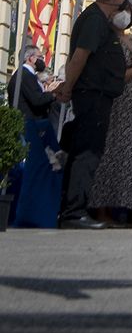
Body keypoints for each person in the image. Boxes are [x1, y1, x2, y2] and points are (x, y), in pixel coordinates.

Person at [54, 0, 132, 229]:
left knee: (89, 151)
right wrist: (67, 87)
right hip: (92, 95)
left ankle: (75, 208)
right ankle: (74, 211)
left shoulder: (101, 20)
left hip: (99, 96)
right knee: (87, 152)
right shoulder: (95, 19)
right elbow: (80, 56)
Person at [88, 15, 132, 225]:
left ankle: (119, 207)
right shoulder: (108, 41)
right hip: (118, 102)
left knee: (129, 154)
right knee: (111, 153)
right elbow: (118, 76)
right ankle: (102, 208)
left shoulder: (129, 41)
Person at [10, 44, 65, 228]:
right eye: (40, 56)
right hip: (30, 128)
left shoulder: (25, 76)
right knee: (32, 170)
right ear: (31, 58)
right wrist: (53, 92)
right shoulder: (24, 76)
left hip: (33, 127)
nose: (42, 60)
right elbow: (36, 100)